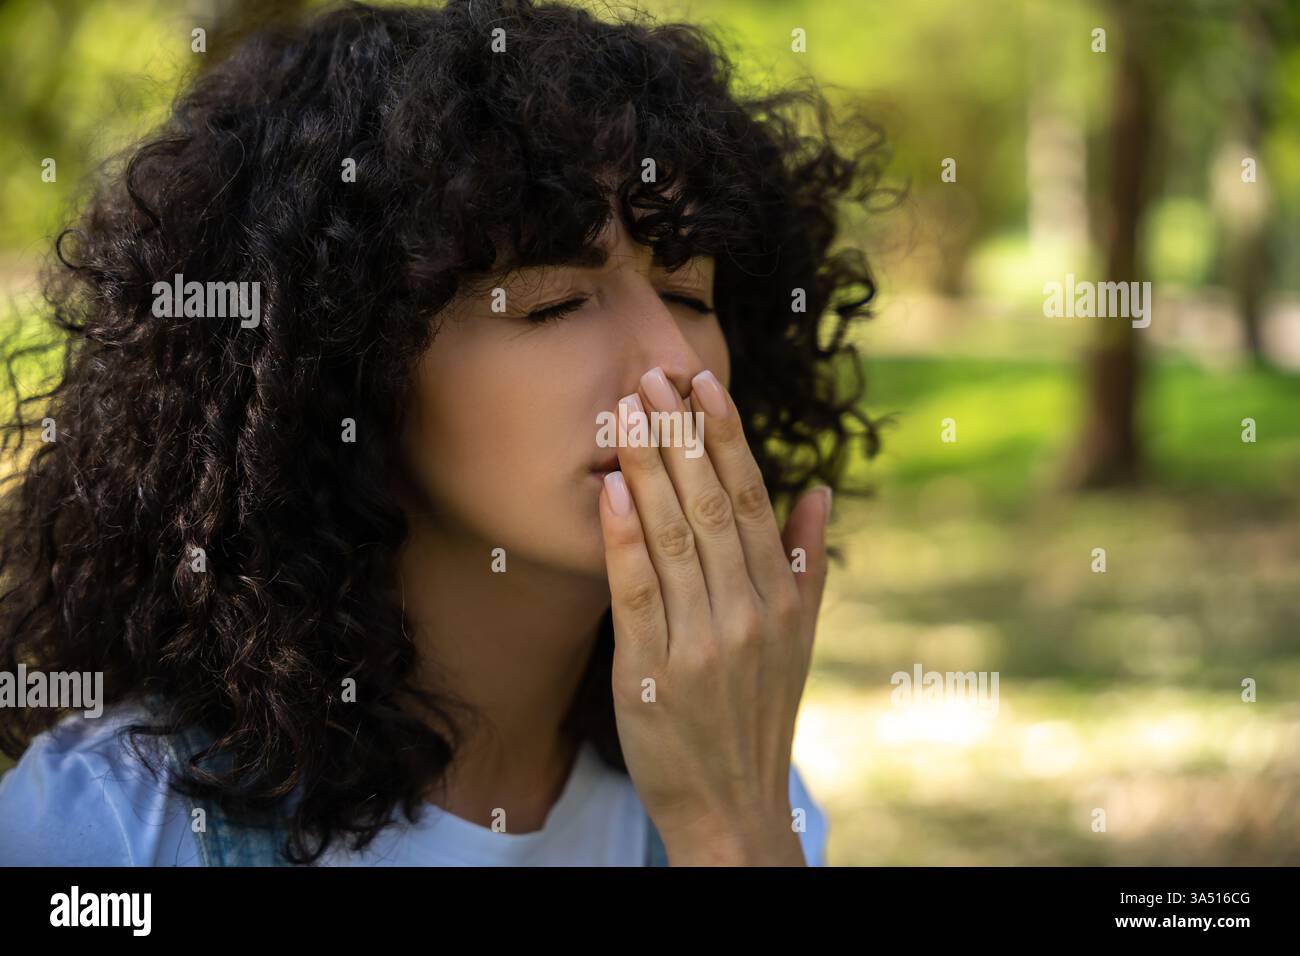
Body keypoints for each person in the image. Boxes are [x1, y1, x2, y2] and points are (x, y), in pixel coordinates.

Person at [0, 0, 882, 866]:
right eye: (553, 303)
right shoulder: (110, 830)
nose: (671, 365)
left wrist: (732, 829)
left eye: (691, 295)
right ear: (345, 367)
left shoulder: (753, 797)